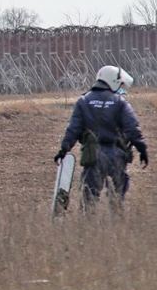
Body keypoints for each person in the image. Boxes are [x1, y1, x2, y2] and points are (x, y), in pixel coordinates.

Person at [54, 65, 148, 212]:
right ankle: (117, 231)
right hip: (116, 155)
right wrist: (142, 150)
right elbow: (133, 129)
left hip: (93, 157)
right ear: (113, 81)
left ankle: (88, 230)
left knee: (88, 202)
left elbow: (73, 129)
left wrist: (63, 149)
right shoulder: (119, 102)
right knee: (117, 203)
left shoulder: (83, 101)